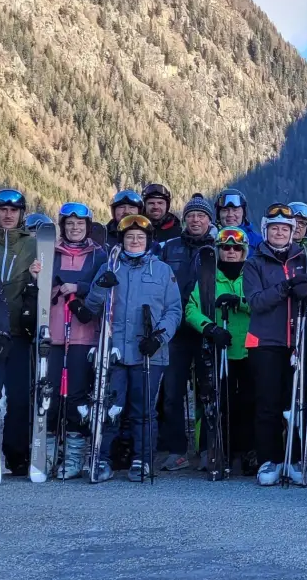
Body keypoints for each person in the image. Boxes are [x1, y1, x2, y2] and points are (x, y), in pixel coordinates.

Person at [81, 215, 180, 482]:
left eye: (140, 237)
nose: (134, 241)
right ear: (122, 240)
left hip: (149, 350)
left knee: (144, 410)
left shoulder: (161, 270)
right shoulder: (109, 267)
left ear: (148, 241)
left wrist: (159, 338)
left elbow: (174, 310)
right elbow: (91, 308)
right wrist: (101, 288)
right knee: (109, 406)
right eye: (129, 237)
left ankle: (143, 459)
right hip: (114, 349)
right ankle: (101, 459)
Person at [241, 203, 307, 486]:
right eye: (274, 228)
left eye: (285, 228)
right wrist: (287, 288)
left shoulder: (305, 259)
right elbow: (256, 301)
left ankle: (294, 458)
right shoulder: (255, 263)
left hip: (300, 340)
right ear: (266, 230)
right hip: (266, 341)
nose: (280, 232)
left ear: (293, 232)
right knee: (268, 403)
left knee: (299, 402)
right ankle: (270, 459)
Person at [183, 226, 253, 478]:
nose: (231, 252)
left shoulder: (251, 275)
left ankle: (244, 452)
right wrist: (210, 328)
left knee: (246, 404)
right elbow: (191, 309)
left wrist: (241, 303)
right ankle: (212, 450)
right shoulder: (208, 278)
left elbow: (263, 304)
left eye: (236, 248)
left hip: (248, 350)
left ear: (244, 251)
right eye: (226, 248)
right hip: (218, 349)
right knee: (215, 402)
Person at [0, 189, 40, 476]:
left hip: (18, 330)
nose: (7, 214)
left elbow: (45, 282)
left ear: (21, 214)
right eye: (2, 209)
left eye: (13, 211)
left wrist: (39, 277)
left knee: (18, 397)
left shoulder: (33, 244)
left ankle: (17, 454)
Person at [156, 193, 217, 471]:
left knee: (208, 391)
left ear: (209, 221)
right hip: (176, 330)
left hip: (206, 328)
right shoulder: (169, 247)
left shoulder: (218, 248)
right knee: (172, 393)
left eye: (201, 216)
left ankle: (206, 449)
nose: (195, 220)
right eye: (191, 215)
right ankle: (177, 450)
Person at [50, 202, 107, 480]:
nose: (75, 228)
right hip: (53, 333)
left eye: (80, 224)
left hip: (83, 335)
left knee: (75, 397)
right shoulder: (51, 252)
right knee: (48, 394)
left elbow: (105, 285)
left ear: (88, 227)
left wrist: (79, 288)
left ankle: (74, 456)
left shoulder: (99, 255)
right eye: (70, 224)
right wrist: (38, 276)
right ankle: (47, 452)